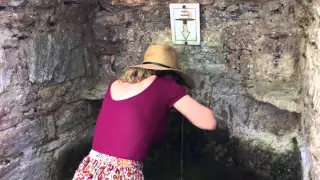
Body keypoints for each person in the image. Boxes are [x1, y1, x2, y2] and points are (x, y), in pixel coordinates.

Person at [72, 44, 216, 180]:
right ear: (172, 74)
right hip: (122, 173)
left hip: (90, 168)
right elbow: (209, 122)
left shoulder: (115, 84)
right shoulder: (166, 86)